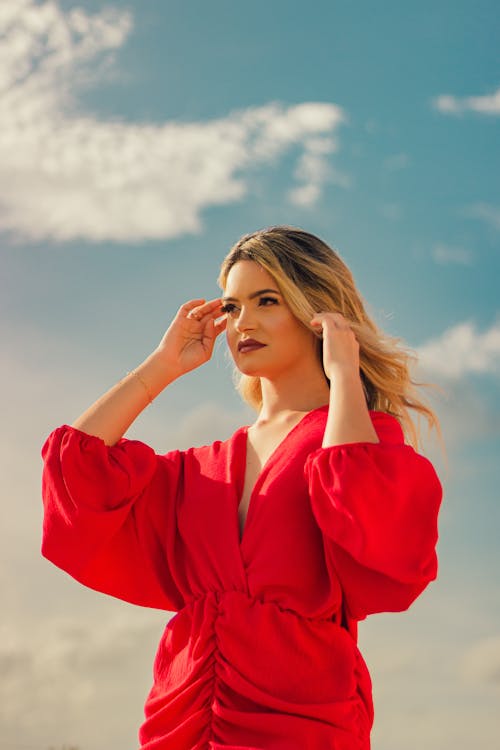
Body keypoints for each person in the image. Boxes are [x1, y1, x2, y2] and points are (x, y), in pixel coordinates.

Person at [41, 226, 443, 750]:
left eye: (266, 300)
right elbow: (77, 476)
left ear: (316, 310)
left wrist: (344, 374)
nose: (243, 322)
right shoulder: (198, 470)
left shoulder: (365, 447)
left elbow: (372, 527)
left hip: (303, 721)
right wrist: (162, 367)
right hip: (182, 720)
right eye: (232, 307)